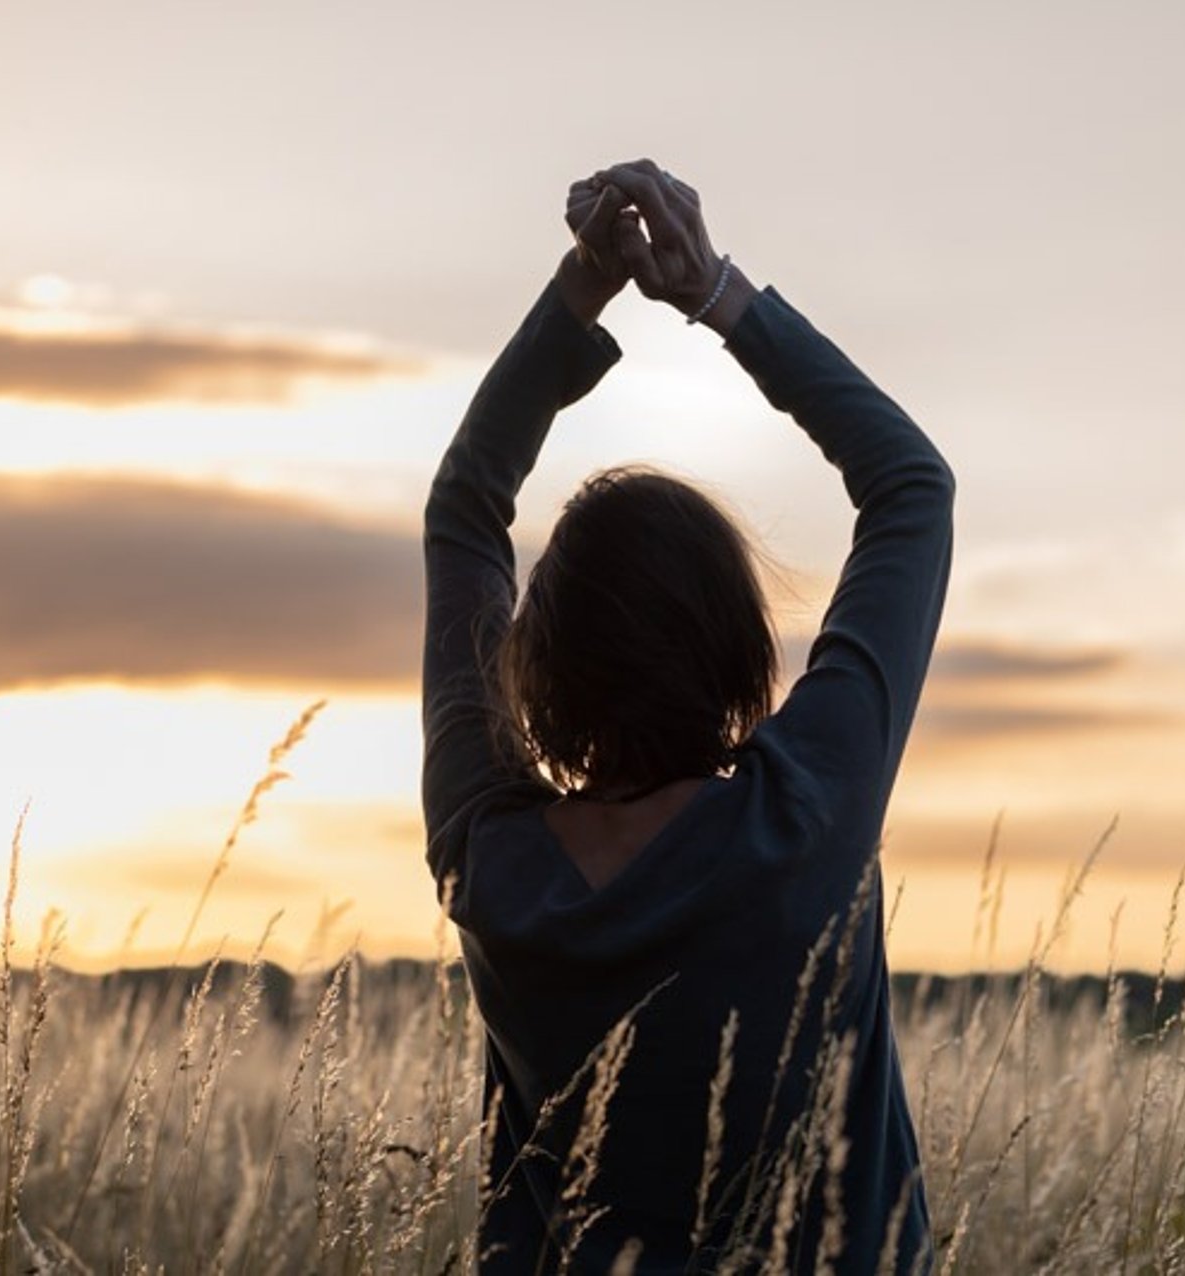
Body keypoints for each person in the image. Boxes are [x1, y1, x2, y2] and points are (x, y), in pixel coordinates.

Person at [422, 158, 953, 1274]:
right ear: (730, 645)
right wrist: (712, 294)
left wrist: (581, 289)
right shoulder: (804, 812)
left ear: (540, 668)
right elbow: (909, 484)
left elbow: (466, 512)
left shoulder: (490, 855)